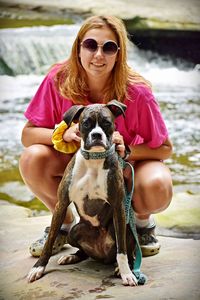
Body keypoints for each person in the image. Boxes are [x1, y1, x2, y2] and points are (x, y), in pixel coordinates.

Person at [19, 15, 173, 258]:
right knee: (32, 158)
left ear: (119, 53)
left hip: (122, 166)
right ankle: (65, 224)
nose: (99, 55)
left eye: (108, 47)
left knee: (158, 184)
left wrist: (127, 150)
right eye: (91, 45)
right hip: (78, 165)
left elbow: (164, 149)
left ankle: (142, 225)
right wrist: (63, 133)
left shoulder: (137, 91)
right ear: (78, 47)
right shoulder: (58, 79)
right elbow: (27, 135)